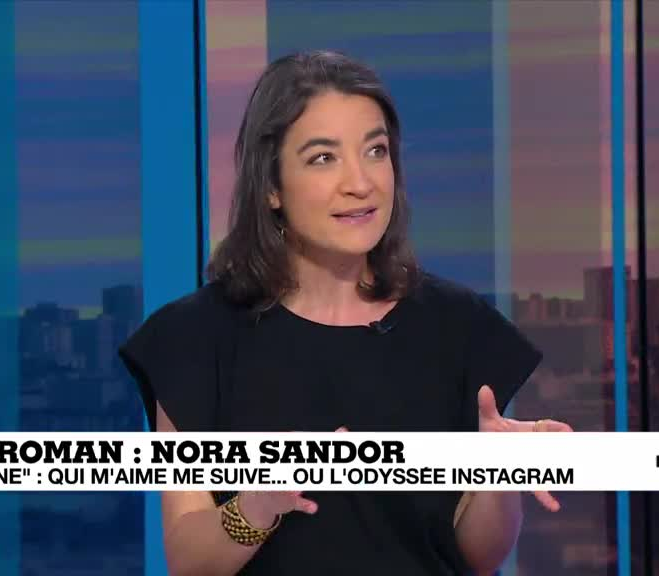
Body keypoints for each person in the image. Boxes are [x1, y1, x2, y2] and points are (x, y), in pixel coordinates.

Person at [119, 50, 571, 576]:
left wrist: (498, 478)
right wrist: (257, 505)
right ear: (271, 187)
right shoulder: (193, 338)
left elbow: (478, 555)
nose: (361, 182)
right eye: (323, 158)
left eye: (375, 151)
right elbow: (189, 560)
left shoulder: (458, 325)